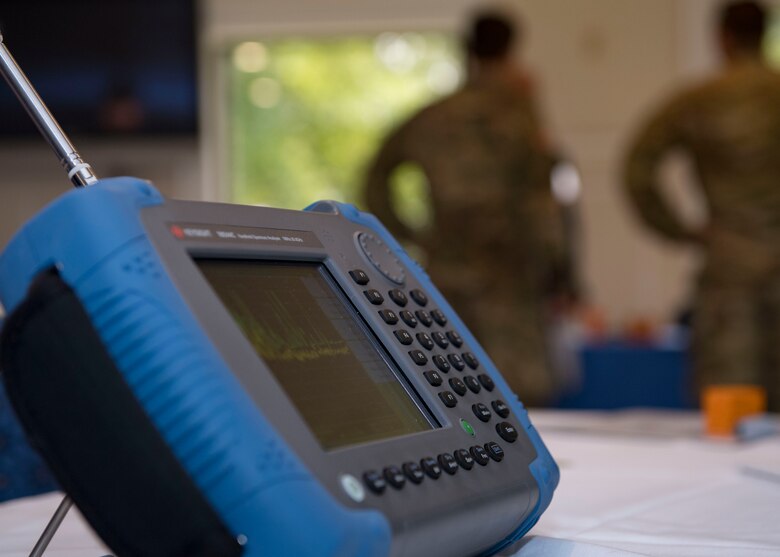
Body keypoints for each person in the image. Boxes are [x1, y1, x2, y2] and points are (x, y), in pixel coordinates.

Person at [364, 11, 568, 406]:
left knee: (447, 389)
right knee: (522, 399)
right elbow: (542, 197)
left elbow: (376, 178)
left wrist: (412, 236)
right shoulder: (521, 113)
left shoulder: (433, 117)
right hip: (511, 275)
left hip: (449, 274)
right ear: (512, 49)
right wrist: (558, 268)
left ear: (467, 49)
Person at [624, 1, 780, 411]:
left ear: (723, 38)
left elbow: (637, 169)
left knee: (730, 411)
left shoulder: (699, 101)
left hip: (730, 269)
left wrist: (681, 230)